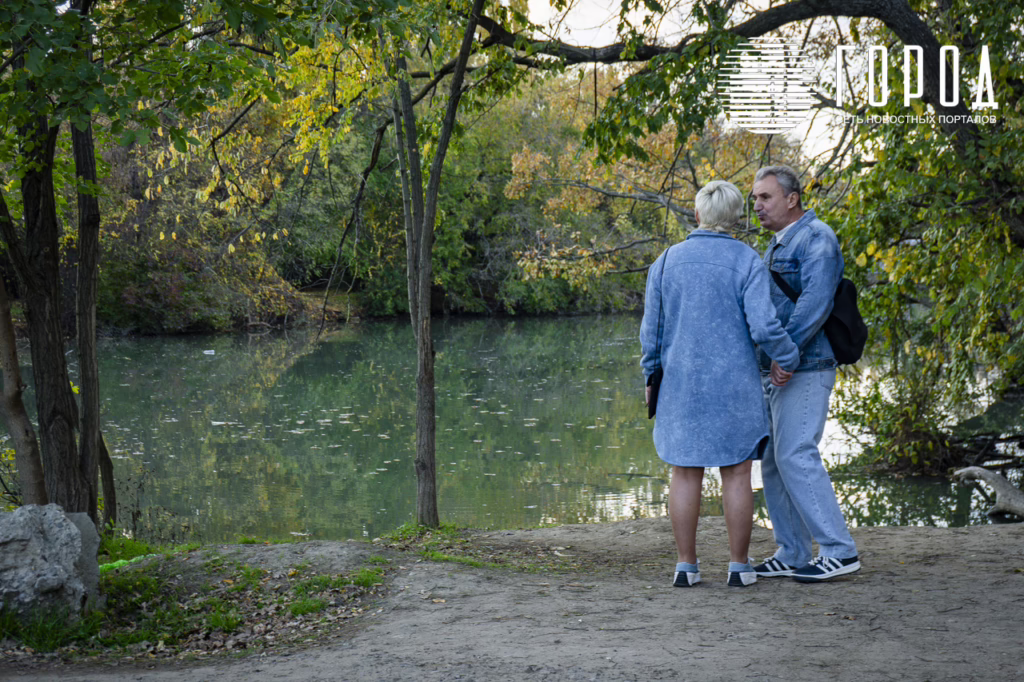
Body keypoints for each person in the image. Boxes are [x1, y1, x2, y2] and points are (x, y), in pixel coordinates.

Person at [640, 180, 800, 588]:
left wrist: (650, 375)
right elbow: (764, 326)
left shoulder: (665, 262)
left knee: (684, 472)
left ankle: (686, 566)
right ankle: (739, 566)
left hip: (680, 385)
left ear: (698, 215)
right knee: (737, 473)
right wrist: (788, 356)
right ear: (735, 219)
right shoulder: (747, 260)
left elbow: (651, 332)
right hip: (735, 387)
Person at [750, 165, 861, 582]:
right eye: (755, 198)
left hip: (807, 364)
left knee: (796, 453)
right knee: (773, 460)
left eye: (765, 197)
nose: (757, 206)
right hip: (782, 365)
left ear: (792, 198)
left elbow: (814, 304)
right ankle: (793, 551)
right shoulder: (779, 242)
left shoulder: (817, 238)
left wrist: (786, 354)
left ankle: (839, 551)